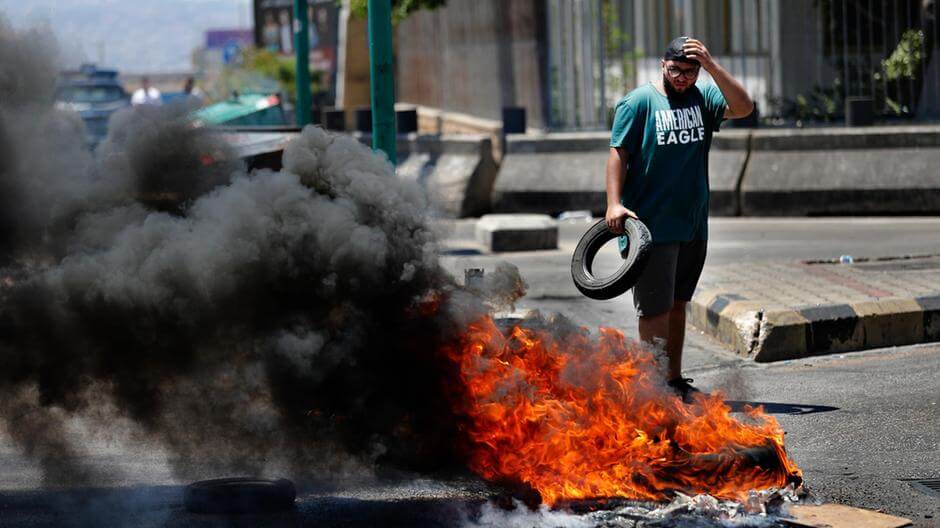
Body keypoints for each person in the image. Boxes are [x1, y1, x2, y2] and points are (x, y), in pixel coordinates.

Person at [605, 36, 753, 402]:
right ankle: (653, 388)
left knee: (677, 303)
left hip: (692, 222)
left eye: (690, 71)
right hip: (651, 224)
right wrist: (612, 204)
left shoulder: (704, 98)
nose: (683, 78)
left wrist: (713, 66)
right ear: (662, 64)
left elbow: (745, 107)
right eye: (676, 70)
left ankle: (672, 379)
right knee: (654, 308)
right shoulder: (639, 102)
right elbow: (617, 154)